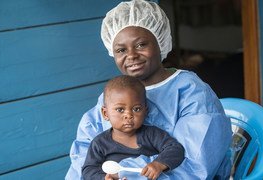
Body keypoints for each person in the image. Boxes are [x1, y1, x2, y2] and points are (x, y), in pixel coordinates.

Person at [66, 0, 232, 179]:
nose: (131, 55)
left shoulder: (190, 92)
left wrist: (123, 174)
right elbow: (83, 156)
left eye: (140, 45)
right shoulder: (111, 96)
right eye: (121, 50)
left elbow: (194, 164)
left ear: (160, 42)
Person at [82, 75, 185, 180]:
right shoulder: (100, 143)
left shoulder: (152, 134)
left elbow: (175, 148)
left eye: (136, 109)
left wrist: (159, 164)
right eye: (120, 110)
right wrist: (104, 178)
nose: (129, 115)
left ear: (145, 111)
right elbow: (89, 169)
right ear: (105, 113)